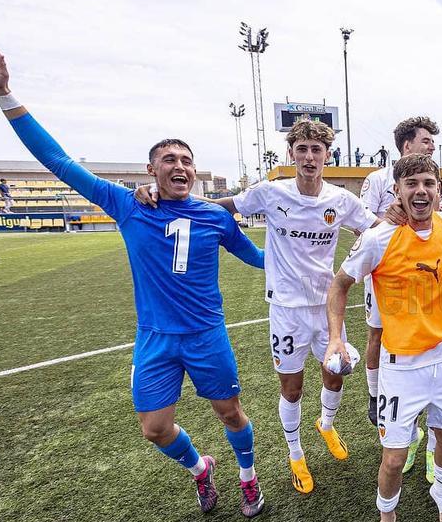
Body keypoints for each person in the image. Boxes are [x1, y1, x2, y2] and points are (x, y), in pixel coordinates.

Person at [0, 41, 268, 517]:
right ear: (152, 169)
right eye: (169, 159)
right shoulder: (128, 204)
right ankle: (200, 469)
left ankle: (248, 478)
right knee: (155, 429)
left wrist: (305, 261)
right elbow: (59, 162)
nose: (180, 166)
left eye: (186, 160)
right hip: (155, 338)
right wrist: (5, 95)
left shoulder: (214, 216)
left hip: (207, 334)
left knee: (230, 413)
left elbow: (256, 257)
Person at [138, 119, 379, 493]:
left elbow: (376, 229)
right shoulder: (271, 193)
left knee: (336, 374)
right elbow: (215, 207)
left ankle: (327, 426)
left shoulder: (341, 201)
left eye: (317, 150)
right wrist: (158, 192)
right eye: (302, 149)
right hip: (286, 309)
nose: (309, 157)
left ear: (327, 156)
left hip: (327, 306)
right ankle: (296, 452)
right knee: (293, 388)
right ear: (291, 155)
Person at [324, 153, 442, 522]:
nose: (420, 191)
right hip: (401, 367)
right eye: (412, 184)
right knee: (394, 456)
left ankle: (441, 493)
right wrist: (336, 338)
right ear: (399, 192)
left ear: (439, 191)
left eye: (428, 183)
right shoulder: (379, 238)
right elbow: (339, 286)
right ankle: (386, 519)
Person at [359, 116, 442, 479]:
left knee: (427, 347)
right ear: (406, 145)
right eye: (426, 141)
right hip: (387, 275)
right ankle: (380, 402)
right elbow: (363, 227)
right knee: (380, 336)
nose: (431, 147)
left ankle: (431, 442)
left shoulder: (431, 179)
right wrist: (389, 221)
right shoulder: (378, 179)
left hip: (423, 278)